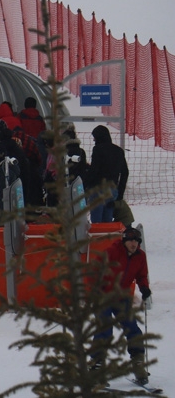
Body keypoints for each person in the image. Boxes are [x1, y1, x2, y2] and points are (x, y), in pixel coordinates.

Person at [93, 226, 152, 386]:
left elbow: (141, 275)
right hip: (104, 295)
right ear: (124, 241)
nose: (133, 244)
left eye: (136, 241)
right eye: (130, 241)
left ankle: (138, 363)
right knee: (104, 329)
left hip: (122, 297)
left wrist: (144, 287)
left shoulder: (140, 256)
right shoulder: (112, 252)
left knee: (133, 329)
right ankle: (97, 367)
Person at [87, 125, 130, 224]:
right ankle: (107, 238)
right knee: (107, 222)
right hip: (112, 190)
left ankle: (97, 238)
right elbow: (125, 172)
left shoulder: (97, 149)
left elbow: (95, 170)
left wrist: (87, 184)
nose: (94, 140)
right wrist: (120, 192)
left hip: (98, 190)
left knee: (97, 223)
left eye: (95, 137)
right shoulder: (118, 151)